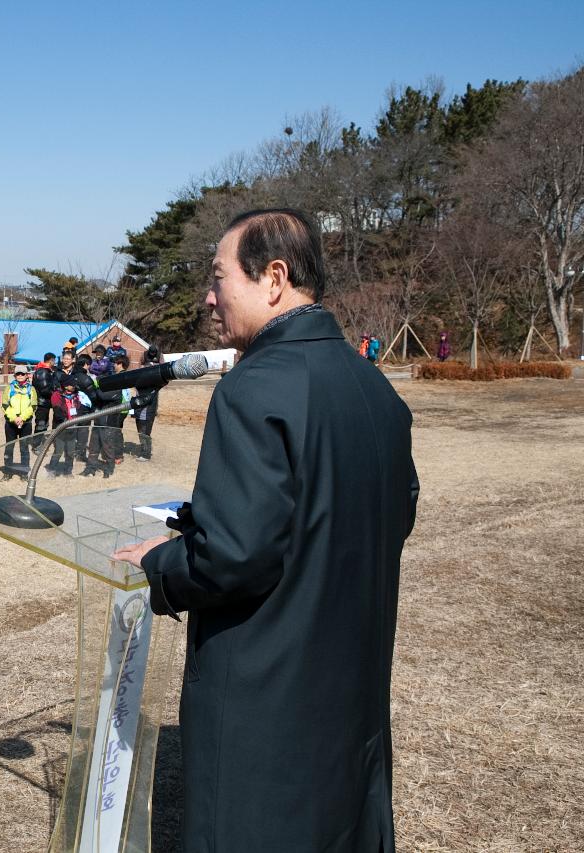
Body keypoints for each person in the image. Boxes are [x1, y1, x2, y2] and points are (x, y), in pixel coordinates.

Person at [110, 208, 418, 852]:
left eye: (219, 276)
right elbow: (389, 512)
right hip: (351, 683)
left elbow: (233, 557)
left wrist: (160, 566)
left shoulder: (256, 387)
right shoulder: (372, 384)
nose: (209, 295)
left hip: (267, 691)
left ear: (273, 278)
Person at [1, 365, 37, 478]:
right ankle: (8, 471)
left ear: (27, 375)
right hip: (11, 423)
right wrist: (14, 418)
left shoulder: (31, 389)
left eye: (22, 374)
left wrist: (22, 418)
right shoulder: (9, 388)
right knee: (9, 448)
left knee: (24, 448)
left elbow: (33, 406)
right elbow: (5, 405)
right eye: (18, 374)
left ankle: (24, 472)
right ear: (15, 375)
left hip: (25, 423)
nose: (20, 376)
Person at [46, 377, 83, 476]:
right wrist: (65, 419)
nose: (73, 387)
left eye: (74, 386)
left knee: (71, 451)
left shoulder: (76, 395)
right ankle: (52, 470)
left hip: (73, 427)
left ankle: (68, 471)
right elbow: (57, 410)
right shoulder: (57, 395)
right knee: (59, 450)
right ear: (65, 386)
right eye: (71, 385)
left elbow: (79, 408)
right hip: (61, 427)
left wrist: (77, 417)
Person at [131, 345, 162, 460]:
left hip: (148, 409)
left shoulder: (156, 384)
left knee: (145, 431)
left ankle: (146, 453)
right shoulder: (139, 380)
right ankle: (143, 451)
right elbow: (138, 366)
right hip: (139, 408)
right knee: (140, 430)